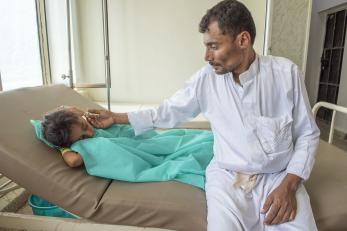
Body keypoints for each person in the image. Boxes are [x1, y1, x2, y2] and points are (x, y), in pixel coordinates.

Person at [86, 0, 320, 230]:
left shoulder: (286, 74)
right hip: (229, 179)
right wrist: (116, 117)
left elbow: (308, 134)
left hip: (279, 176)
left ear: (243, 40)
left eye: (214, 46)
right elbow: (168, 111)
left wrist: (289, 186)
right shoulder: (206, 80)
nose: (206, 56)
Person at [37, 106, 213, 189]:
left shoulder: (91, 123)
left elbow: (72, 110)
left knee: (193, 139)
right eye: (82, 137)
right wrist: (63, 148)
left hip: (147, 142)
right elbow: (74, 160)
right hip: (141, 155)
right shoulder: (78, 145)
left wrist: (85, 117)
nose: (89, 135)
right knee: (200, 150)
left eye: (84, 127)